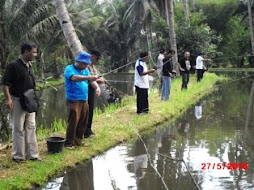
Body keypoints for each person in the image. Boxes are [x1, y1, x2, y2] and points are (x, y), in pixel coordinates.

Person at [2, 42, 41, 163]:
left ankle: (32, 155)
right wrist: (9, 99)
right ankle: (18, 156)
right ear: (25, 52)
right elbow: (5, 84)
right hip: (18, 99)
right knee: (18, 128)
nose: (35, 54)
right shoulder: (13, 66)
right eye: (33, 52)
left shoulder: (29, 65)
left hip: (29, 99)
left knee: (31, 126)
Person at [64, 51, 101, 149]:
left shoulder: (85, 70)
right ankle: (69, 143)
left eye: (86, 64)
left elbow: (91, 81)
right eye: (84, 64)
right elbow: (74, 78)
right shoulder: (69, 69)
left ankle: (78, 140)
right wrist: (89, 77)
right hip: (73, 100)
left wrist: (97, 88)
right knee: (74, 120)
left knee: (83, 120)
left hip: (84, 99)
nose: (85, 66)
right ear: (78, 62)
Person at [84, 50, 105, 138]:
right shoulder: (86, 66)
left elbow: (94, 77)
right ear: (92, 57)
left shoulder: (92, 67)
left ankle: (88, 130)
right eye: (97, 59)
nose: (98, 61)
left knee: (91, 110)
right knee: (87, 111)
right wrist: (99, 80)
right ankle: (86, 131)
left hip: (92, 90)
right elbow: (88, 78)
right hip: (87, 90)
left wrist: (99, 79)